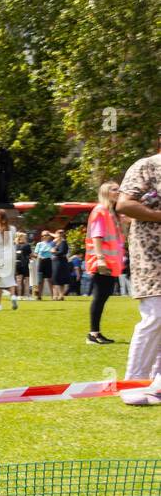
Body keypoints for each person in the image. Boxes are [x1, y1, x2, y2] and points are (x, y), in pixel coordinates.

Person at [115, 135, 161, 405]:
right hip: (150, 254)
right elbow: (124, 204)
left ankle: (156, 384)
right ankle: (133, 382)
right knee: (155, 315)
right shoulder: (145, 166)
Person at [86, 181, 124, 344]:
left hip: (111, 263)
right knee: (99, 297)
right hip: (102, 263)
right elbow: (97, 236)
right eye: (114, 189)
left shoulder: (112, 213)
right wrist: (100, 259)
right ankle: (93, 334)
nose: (118, 191)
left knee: (103, 297)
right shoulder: (100, 210)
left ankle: (96, 333)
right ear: (106, 193)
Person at [14, 231, 32, 299]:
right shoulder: (27, 245)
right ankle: (27, 295)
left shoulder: (15, 245)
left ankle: (19, 295)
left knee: (18, 280)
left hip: (17, 264)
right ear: (21, 237)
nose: (26, 238)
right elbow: (30, 255)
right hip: (24, 264)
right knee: (26, 280)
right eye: (25, 237)